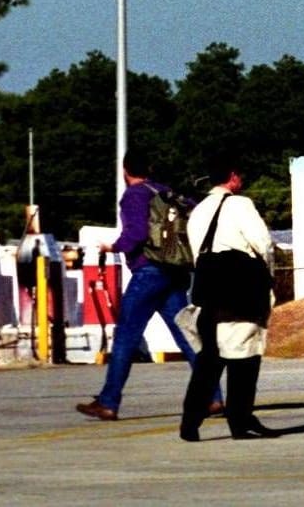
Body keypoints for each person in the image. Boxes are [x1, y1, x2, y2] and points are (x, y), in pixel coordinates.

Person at [77, 155, 219, 422]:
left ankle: (108, 403)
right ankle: (214, 397)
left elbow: (137, 233)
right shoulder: (168, 192)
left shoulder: (134, 195)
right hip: (175, 271)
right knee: (186, 336)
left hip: (148, 272)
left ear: (126, 170)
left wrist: (113, 247)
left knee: (126, 337)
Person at [179, 155, 276, 441]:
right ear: (233, 176)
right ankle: (240, 419)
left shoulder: (198, 211)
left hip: (209, 293)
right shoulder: (240, 204)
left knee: (209, 360)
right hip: (240, 293)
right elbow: (263, 243)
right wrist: (266, 279)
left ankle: (190, 422)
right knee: (244, 357)